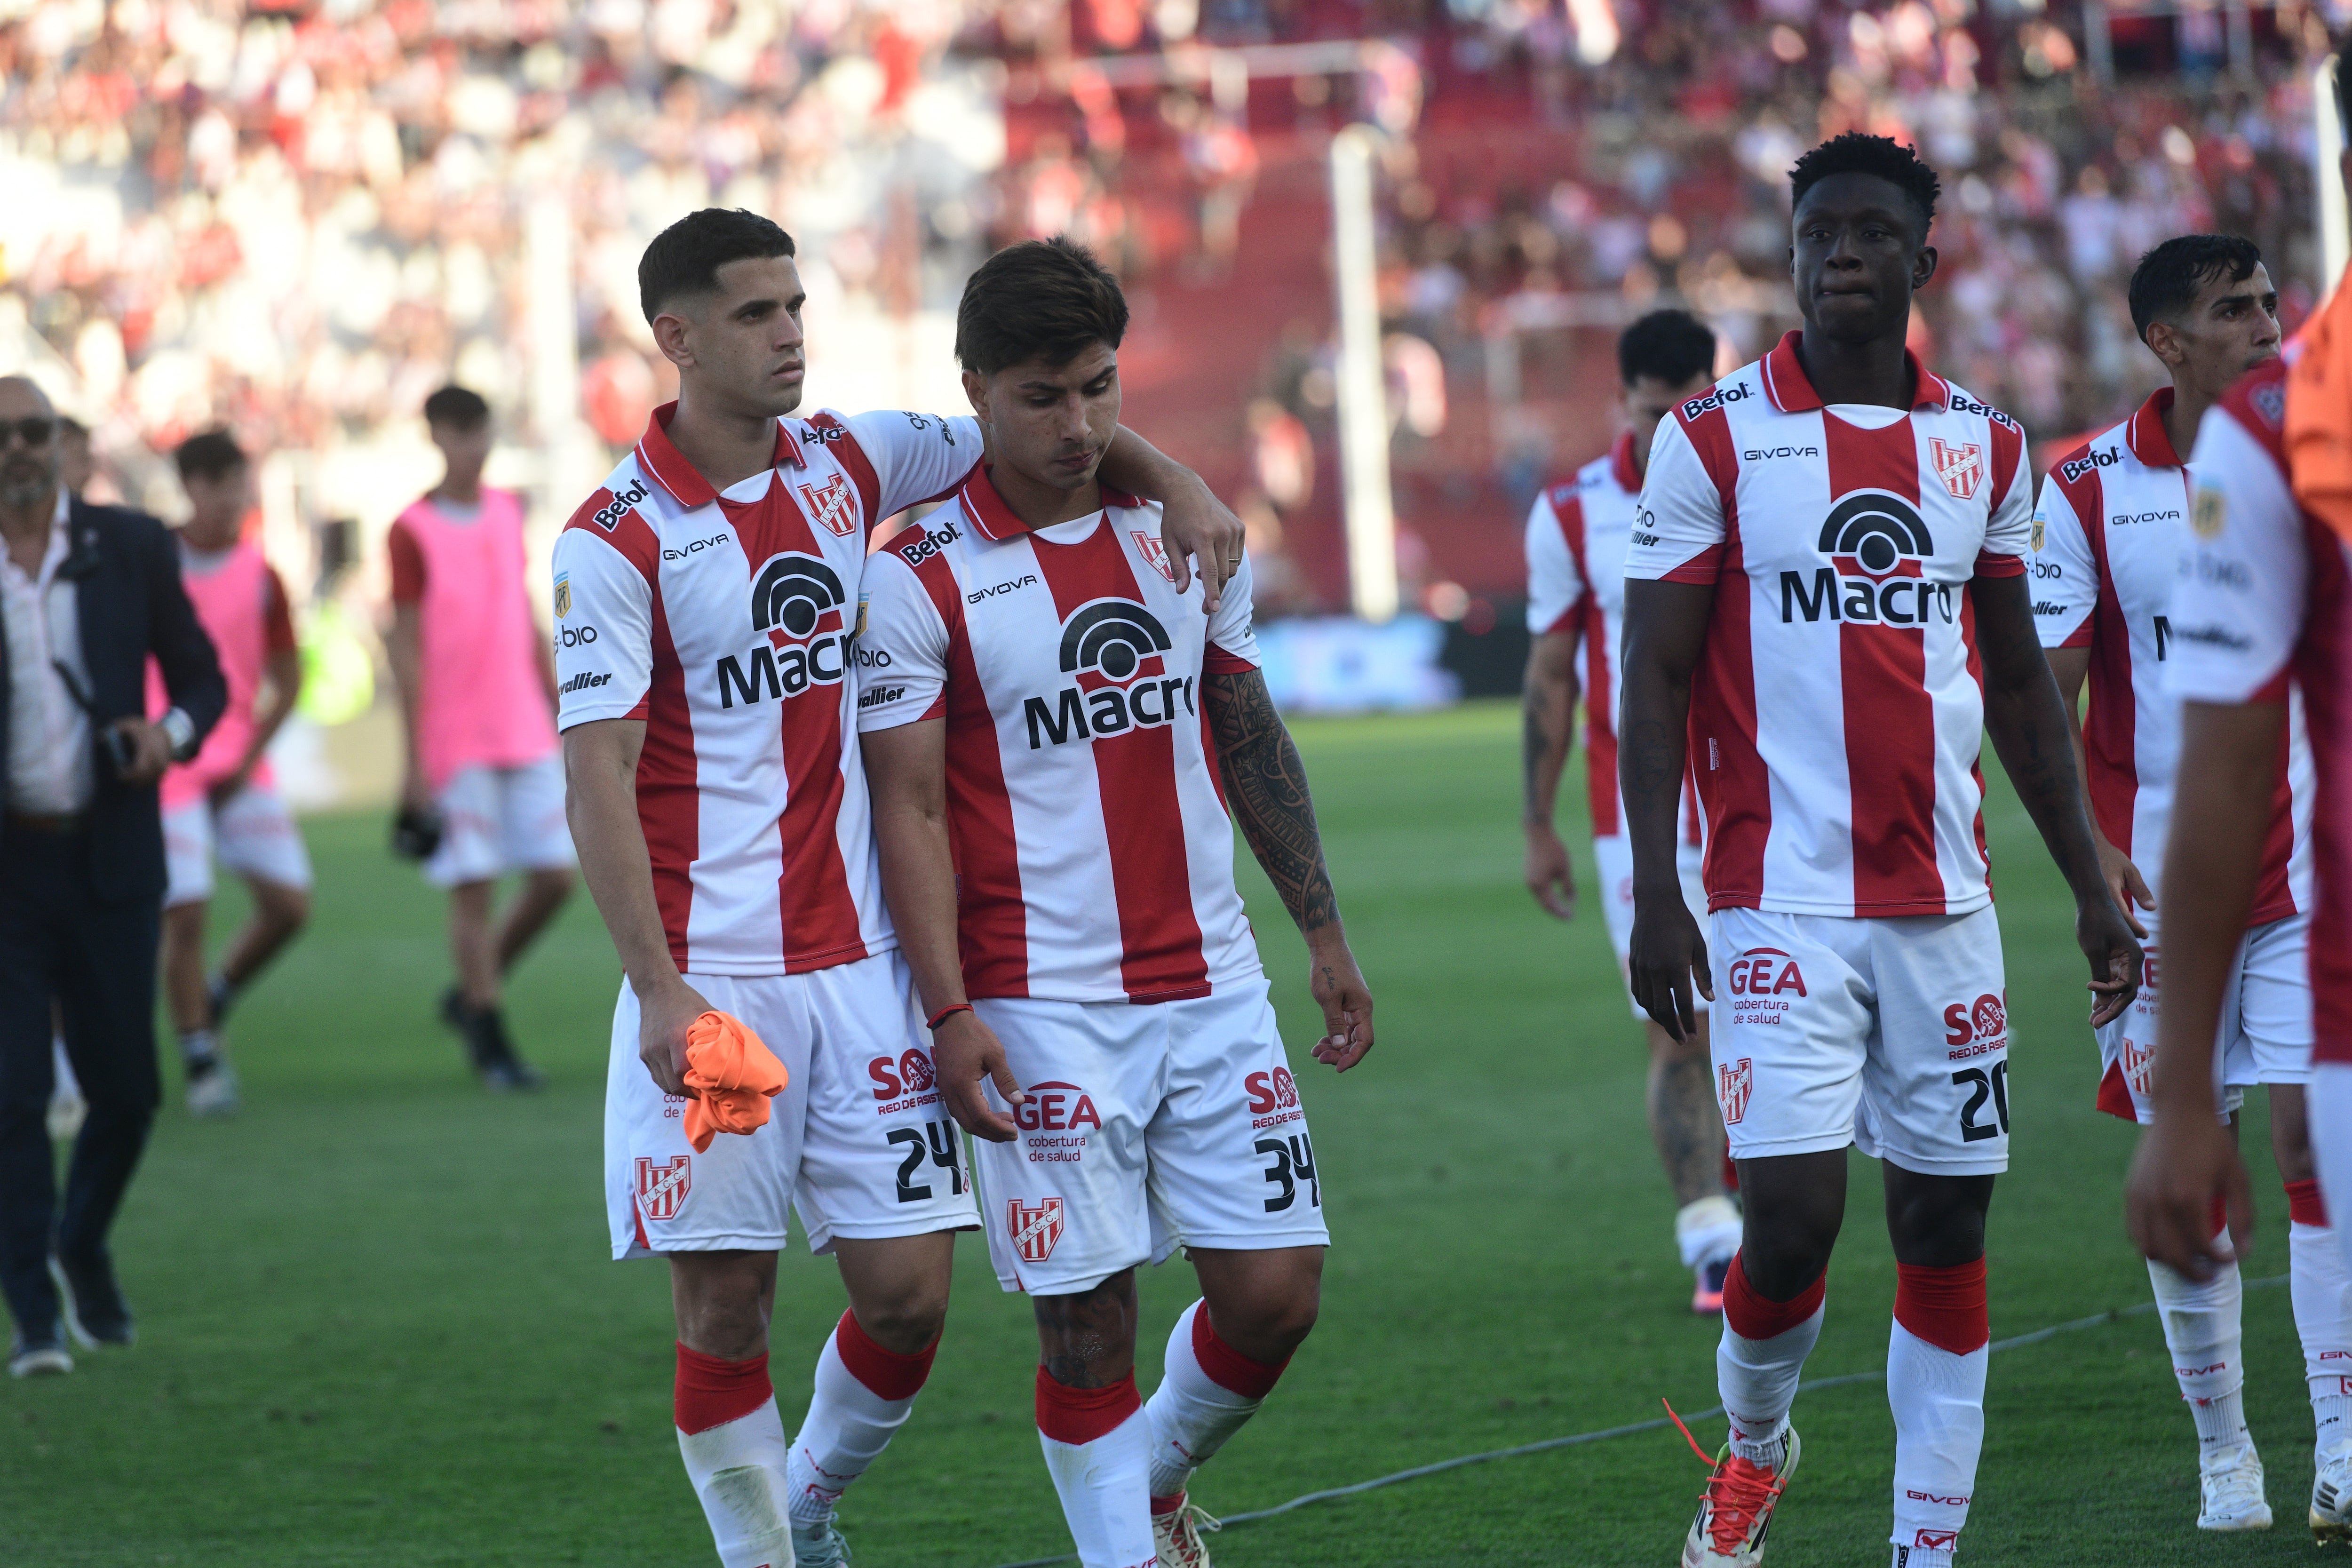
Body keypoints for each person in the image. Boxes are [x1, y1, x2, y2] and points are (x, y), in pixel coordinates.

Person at [555, 207, 1245, 1568]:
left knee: (910, 1293)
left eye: (796, 305)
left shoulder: (851, 459)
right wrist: (656, 984)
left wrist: (1175, 479)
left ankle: (805, 1496)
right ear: (677, 337)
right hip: (722, 986)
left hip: (864, 974)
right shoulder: (613, 541)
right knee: (729, 1300)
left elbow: (1055, 427)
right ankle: (765, 1555)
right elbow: (600, 774)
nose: (791, 333)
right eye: (755, 314)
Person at [1616, 135, 2141, 1568]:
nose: (1840, 251)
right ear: (1791, 257)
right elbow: (1651, 678)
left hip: (1946, 904)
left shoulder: (1984, 443)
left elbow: (2026, 690)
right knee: (1786, 1221)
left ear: (1926, 257)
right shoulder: (1712, 436)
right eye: (1817, 231)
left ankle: (1926, 1547)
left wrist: (2093, 887)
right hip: (1774, 894)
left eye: (1869, 230)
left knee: (1944, 1224)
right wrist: (1659, 894)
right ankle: (1758, 1444)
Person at [857, 236, 1374, 1568]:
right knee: (1086, 1324)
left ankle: (1142, 1483)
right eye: (1043, 395)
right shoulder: (914, 577)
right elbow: (907, 808)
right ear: (972, 389)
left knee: (1276, 1294)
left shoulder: (1184, 531)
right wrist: (951, 1008)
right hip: (1039, 1001)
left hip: (1213, 980)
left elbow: (1246, 727)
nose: (1080, 423)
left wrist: (1320, 930)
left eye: (1099, 387)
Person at [2035, 234, 2345, 1533]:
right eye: (2233, 310)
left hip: (2307, 870)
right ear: (2166, 343)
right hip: (2161, 890)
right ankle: (2226, 1445)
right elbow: (2043, 694)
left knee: (2306, 1141)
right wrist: (2081, 856)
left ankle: (2340, 1440)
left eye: (2273, 301)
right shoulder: (2089, 489)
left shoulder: (2317, 448)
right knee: (2193, 1163)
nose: (2266, 325)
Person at [2127, 99, 2352, 1540]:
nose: (2263, 324)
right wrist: (2174, 1089)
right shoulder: (2274, 434)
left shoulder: (2285, 418)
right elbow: (2206, 760)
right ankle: (2289, 1448)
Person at [0, 374, 225, 1377]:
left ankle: (80, 1240)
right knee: (9, 1097)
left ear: (63, 442)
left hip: (111, 852)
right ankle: (35, 1313)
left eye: (35, 430)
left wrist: (166, 735)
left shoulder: (128, 544)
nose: (19, 449)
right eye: (3, 434)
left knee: (127, 1089)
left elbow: (202, 678)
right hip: (10, 867)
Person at [1522, 307, 1740, 1315]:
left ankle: (1761, 1214)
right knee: (1678, 1025)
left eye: (1685, 412)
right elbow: (1550, 675)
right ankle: (1711, 1237)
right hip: (1637, 818)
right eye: (1651, 416)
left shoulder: (1755, 480)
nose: (1666, 437)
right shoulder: (1572, 512)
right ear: (1623, 404)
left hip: (1760, 798)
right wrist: (1539, 820)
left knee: (1770, 1022)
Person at [386, 385, 573, 1089]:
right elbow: (405, 644)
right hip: (455, 735)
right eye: (460, 434)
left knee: (554, 878)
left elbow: (521, 612)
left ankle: (471, 993)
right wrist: (413, 760)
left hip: (520, 721)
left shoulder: (503, 510)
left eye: (481, 433)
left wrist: (558, 698)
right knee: (474, 887)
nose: (473, 447)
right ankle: (491, 1036)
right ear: (435, 436)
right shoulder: (412, 528)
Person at [153, 430, 312, 1118]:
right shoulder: (153, 560)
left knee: (290, 904)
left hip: (237, 765)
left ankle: (212, 997)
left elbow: (289, 674)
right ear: (188, 486)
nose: (229, 499)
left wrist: (250, 754)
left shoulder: (260, 574)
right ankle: (199, 1055)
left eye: (237, 484)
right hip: (171, 762)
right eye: (215, 485)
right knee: (184, 911)